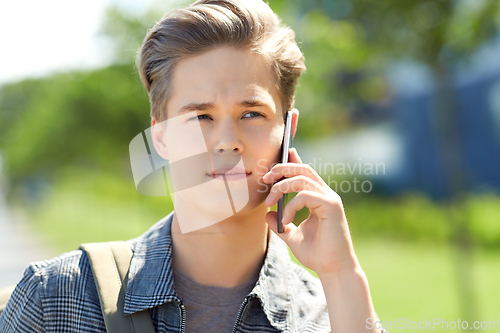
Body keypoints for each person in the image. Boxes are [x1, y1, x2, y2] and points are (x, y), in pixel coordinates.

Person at [0, 0, 385, 332]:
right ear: (161, 136)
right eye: (200, 117)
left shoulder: (333, 314)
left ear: (288, 131)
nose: (226, 141)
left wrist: (340, 275)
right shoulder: (55, 298)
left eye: (251, 113)